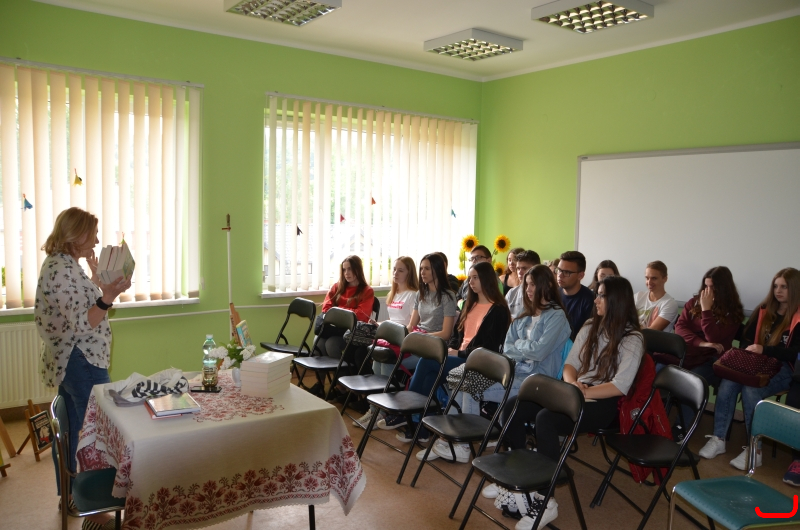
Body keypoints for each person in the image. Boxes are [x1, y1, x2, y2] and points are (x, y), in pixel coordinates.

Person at [498, 276, 644, 529]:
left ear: (617, 301)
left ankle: (546, 499)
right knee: (514, 405)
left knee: (546, 420)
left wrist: (584, 393)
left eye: (601, 296)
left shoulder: (632, 338)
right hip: (575, 391)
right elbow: (570, 364)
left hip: (603, 402)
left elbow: (620, 385)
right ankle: (520, 475)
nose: (596, 300)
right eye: (597, 295)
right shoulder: (590, 326)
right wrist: (573, 384)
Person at [35, 207, 131, 530]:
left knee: (74, 428)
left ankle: (71, 496)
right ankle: (95, 508)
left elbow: (77, 306)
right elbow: (82, 322)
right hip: (81, 360)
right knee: (96, 432)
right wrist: (108, 295)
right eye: (93, 234)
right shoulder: (62, 270)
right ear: (77, 236)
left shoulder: (64, 266)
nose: (97, 240)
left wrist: (97, 284)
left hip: (73, 359)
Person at [445, 265, 569, 464]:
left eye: (533, 285)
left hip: (536, 380)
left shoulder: (556, 316)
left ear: (546, 286)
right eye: (526, 284)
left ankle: (463, 445)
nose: (528, 289)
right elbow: (507, 349)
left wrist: (520, 344)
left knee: (470, 387)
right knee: (462, 380)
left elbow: (539, 351)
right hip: (513, 370)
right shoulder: (524, 315)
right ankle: (453, 439)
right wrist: (525, 346)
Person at [699, 268, 799, 471]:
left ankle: (755, 450)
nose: (778, 291)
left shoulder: (798, 317)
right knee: (728, 383)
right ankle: (719, 439)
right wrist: (750, 351)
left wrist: (765, 349)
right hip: (756, 364)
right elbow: (746, 337)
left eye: (784, 287)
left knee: (751, 390)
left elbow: (795, 353)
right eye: (776, 286)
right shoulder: (764, 309)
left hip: (784, 369)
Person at [422, 262, 511, 461]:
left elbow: (488, 348)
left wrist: (459, 353)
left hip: (474, 361)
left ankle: (421, 424)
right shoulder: (469, 304)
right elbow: (457, 335)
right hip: (459, 356)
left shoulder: (498, 310)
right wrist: (452, 348)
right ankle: (442, 434)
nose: (471, 282)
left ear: (487, 279)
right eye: (470, 278)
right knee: (431, 370)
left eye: (475, 278)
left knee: (429, 364)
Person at [376, 253, 457, 431]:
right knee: (381, 358)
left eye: (427, 268)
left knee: (392, 361)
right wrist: (410, 337)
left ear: (438, 270)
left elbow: (446, 333)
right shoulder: (421, 293)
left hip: (434, 347)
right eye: (421, 268)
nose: (422, 272)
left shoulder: (447, 296)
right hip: (418, 341)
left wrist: (420, 339)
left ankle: (399, 412)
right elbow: (411, 326)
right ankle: (382, 410)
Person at [352, 257, 419, 428]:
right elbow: (394, 321)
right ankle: (374, 410)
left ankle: (382, 411)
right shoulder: (394, 293)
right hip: (391, 342)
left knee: (386, 366)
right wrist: (380, 324)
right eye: (394, 269)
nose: (396, 273)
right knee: (377, 366)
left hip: (404, 343)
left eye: (401, 270)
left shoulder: (413, 295)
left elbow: (411, 326)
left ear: (410, 273)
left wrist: (393, 331)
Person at [317, 255, 375, 363]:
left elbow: (361, 315)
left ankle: (341, 373)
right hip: (334, 328)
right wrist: (346, 312)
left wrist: (336, 310)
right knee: (318, 342)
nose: (346, 273)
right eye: (344, 269)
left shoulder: (367, 291)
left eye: (350, 269)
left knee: (331, 344)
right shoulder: (337, 287)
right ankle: (324, 374)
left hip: (351, 332)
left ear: (358, 269)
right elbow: (326, 308)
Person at [556, 251, 595, 341]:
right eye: (559, 270)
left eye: (566, 272)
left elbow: (588, 337)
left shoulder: (590, 300)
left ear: (580, 275)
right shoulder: (553, 294)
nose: (560, 275)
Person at [634, 260, 678, 332]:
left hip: (650, 339)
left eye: (654, 278)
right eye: (647, 278)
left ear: (665, 279)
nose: (649, 282)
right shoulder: (638, 296)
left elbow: (652, 332)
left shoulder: (669, 303)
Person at [505, 250, 541, 319]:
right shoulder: (511, 294)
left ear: (536, 269)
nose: (520, 272)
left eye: (524, 268)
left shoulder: (544, 293)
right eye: (518, 268)